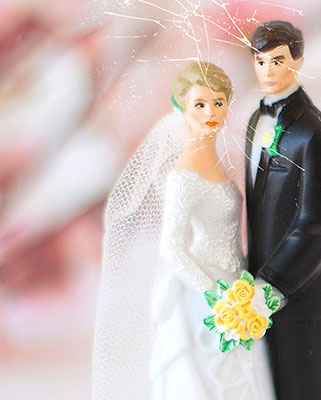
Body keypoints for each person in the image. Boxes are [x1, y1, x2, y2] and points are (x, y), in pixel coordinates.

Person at [93, 62, 275, 400]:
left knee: (238, 374)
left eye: (218, 103)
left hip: (235, 279)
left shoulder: (219, 162)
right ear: (182, 108)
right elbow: (172, 250)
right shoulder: (183, 178)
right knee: (208, 376)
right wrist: (216, 294)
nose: (210, 112)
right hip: (205, 289)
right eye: (200, 104)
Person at [245, 20, 321, 400]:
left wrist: (271, 285)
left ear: (297, 61)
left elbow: (317, 226)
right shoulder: (256, 119)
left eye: (278, 60)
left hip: (297, 290)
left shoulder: (316, 132)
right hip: (253, 291)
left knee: (304, 390)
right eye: (260, 61)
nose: (268, 71)